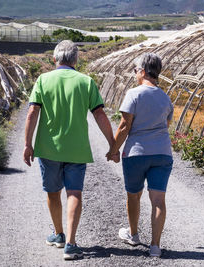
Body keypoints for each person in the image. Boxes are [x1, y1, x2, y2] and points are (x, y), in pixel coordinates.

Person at [23, 40, 116, 260]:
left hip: (48, 148)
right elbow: (100, 115)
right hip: (77, 149)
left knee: (53, 193)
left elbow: (32, 113)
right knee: (74, 192)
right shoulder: (86, 81)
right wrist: (113, 145)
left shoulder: (43, 80)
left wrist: (28, 144)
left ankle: (58, 234)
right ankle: (71, 244)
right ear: (76, 60)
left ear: (54, 59)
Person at [107, 53, 174, 257]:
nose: (134, 74)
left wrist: (113, 149)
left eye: (135, 70)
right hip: (162, 154)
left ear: (143, 71)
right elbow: (167, 124)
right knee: (158, 200)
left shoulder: (134, 94)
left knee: (133, 195)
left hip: (136, 153)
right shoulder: (165, 97)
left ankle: (134, 235)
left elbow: (125, 125)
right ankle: (155, 246)